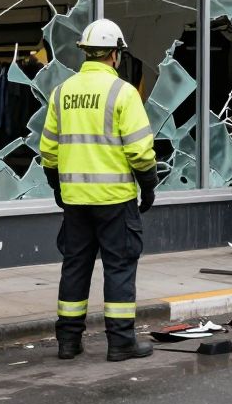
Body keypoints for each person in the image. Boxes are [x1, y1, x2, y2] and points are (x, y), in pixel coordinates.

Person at [40, 18, 158, 362]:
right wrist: (148, 186)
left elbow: (48, 149)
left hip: (75, 201)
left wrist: (56, 185)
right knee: (119, 267)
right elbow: (139, 149)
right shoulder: (123, 93)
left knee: (75, 267)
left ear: (86, 54)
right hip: (115, 201)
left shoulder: (62, 92)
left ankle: (68, 342)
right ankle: (120, 342)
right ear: (115, 55)